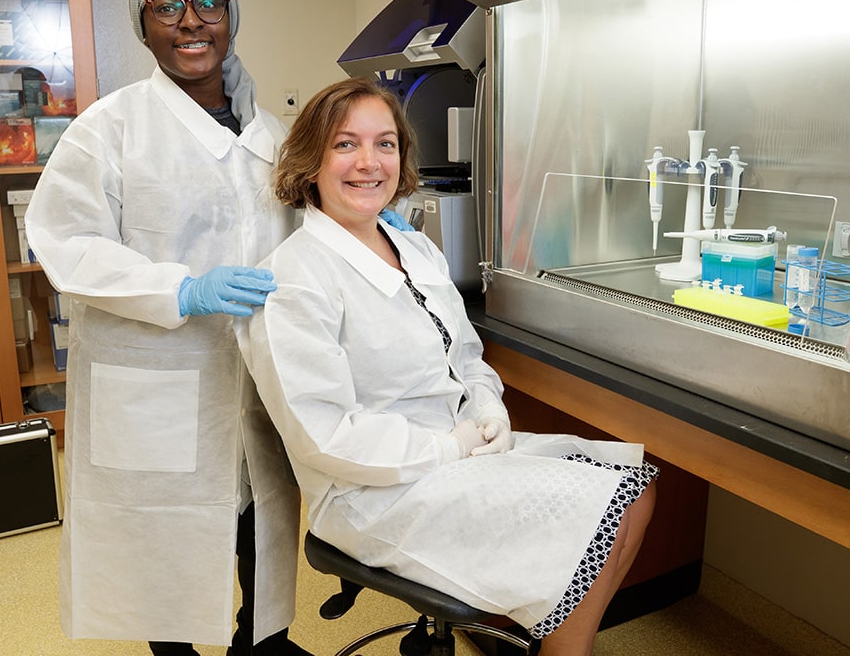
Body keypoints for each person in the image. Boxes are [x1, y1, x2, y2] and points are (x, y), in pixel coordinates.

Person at [236, 77, 659, 656]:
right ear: (310, 160)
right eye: (345, 144)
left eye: (385, 144)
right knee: (596, 512)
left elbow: (465, 355)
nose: (369, 162)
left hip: (455, 449)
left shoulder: (414, 248)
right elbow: (323, 436)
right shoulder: (295, 278)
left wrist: (489, 408)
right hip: (373, 487)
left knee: (637, 491)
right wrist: (452, 448)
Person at [25, 0, 315, 656]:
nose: (191, 21)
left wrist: (370, 225)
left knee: (261, 506)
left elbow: (309, 225)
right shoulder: (110, 127)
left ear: (230, 18)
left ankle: (263, 640)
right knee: (161, 521)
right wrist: (180, 288)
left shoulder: (273, 136)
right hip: (153, 369)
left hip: (253, 367)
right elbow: (65, 241)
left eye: (208, 3)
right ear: (145, 25)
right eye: (168, 6)